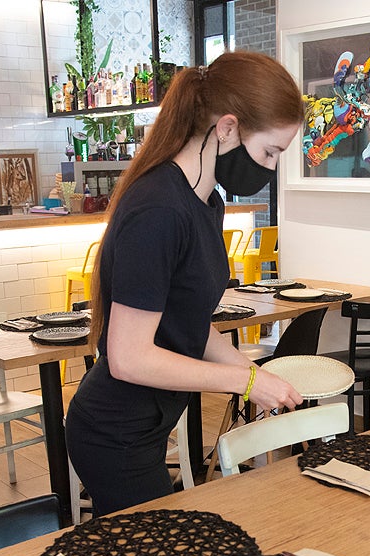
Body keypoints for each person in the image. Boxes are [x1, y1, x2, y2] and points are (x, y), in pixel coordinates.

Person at [66, 51, 305, 516]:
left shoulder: (205, 202)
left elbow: (189, 325)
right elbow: (128, 358)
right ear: (228, 128)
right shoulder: (158, 211)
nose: (271, 168)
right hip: (111, 433)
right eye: (269, 152)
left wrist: (256, 375)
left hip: (150, 424)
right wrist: (241, 380)